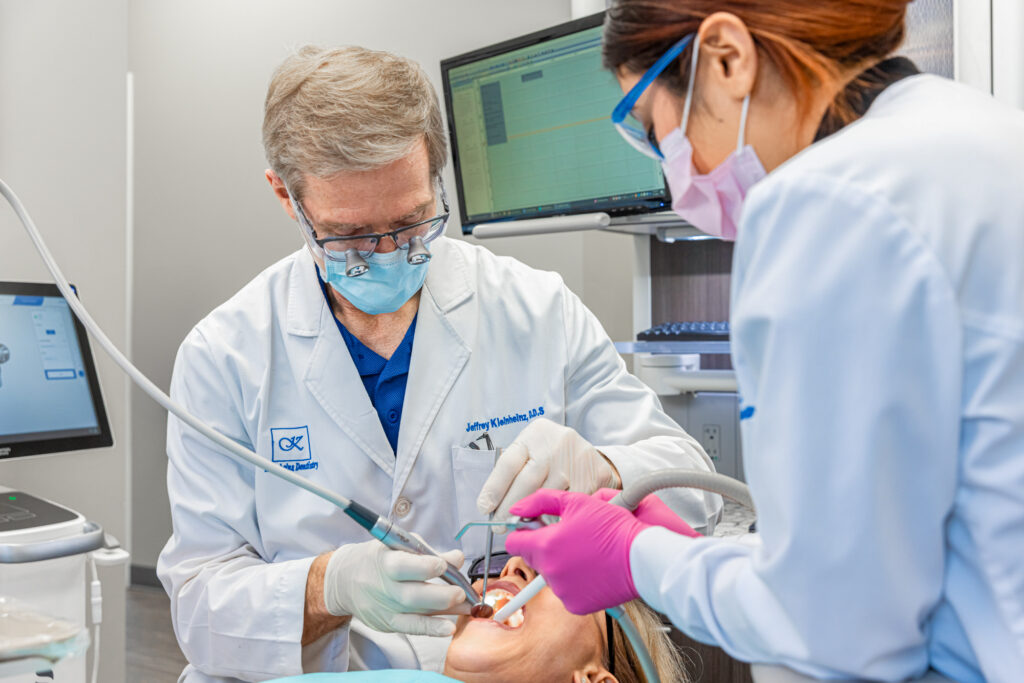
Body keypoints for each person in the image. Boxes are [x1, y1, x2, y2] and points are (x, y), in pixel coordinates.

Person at [158, 44, 721, 682]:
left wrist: (609, 466)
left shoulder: (535, 310)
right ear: (288, 200)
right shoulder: (224, 355)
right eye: (351, 236)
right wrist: (328, 585)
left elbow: (694, 492)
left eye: (412, 221)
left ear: (435, 177)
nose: (389, 253)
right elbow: (201, 611)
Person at [507, 2, 1024, 682]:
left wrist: (639, 559)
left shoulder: (824, 202)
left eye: (653, 126)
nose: (671, 166)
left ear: (727, 57)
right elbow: (901, 554)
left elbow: (835, 627)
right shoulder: (981, 135)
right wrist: (692, 556)